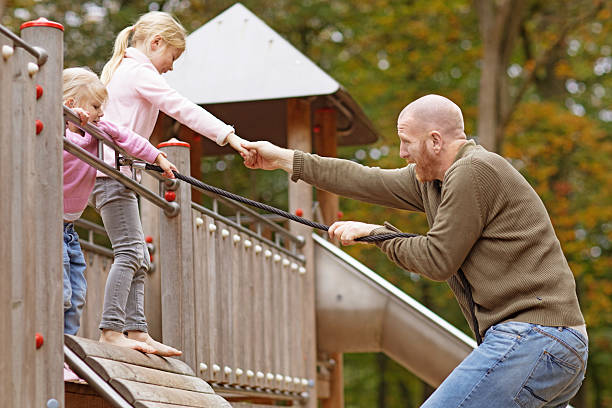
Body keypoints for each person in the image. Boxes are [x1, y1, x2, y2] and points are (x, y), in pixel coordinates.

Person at [241, 94, 588, 407]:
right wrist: (285, 159)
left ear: (435, 141)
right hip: (550, 343)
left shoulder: (473, 171)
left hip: (537, 337)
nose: (402, 152)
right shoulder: (432, 182)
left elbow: (438, 259)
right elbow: (364, 179)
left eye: (407, 142)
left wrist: (376, 235)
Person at [94, 11, 253, 356]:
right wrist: (229, 136)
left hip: (117, 175)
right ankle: (111, 329)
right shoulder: (138, 72)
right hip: (110, 175)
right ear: (155, 43)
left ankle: (136, 331)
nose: (171, 66)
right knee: (129, 252)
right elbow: (181, 108)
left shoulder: (126, 69)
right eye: (173, 56)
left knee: (139, 255)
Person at [62, 67, 176, 347]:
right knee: (62, 292)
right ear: (72, 104)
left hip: (68, 228)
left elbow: (127, 137)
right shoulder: (56, 129)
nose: (102, 112)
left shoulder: (97, 128)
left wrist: (158, 157)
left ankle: (67, 352)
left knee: (77, 294)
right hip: (49, 223)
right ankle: (65, 348)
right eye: (97, 106)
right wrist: (70, 118)